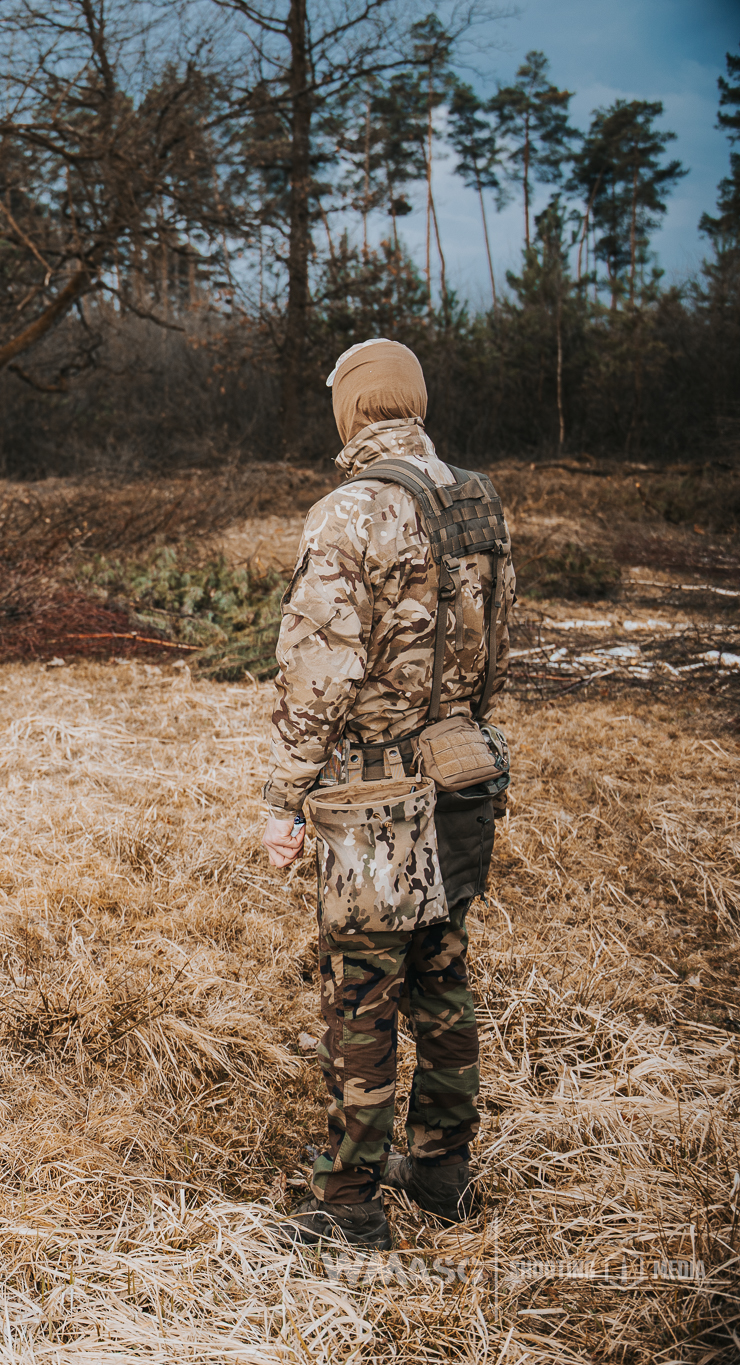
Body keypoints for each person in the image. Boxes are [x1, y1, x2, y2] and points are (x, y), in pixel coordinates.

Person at [261, 338, 515, 1248]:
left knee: (362, 991)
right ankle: (443, 1164)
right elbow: (497, 647)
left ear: (353, 411)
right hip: (462, 768)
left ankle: (347, 1203)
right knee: (442, 969)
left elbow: (315, 675)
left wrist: (284, 797)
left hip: (376, 794)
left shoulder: (347, 514)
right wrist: (463, 734)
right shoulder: (478, 499)